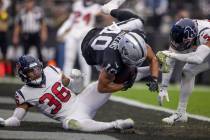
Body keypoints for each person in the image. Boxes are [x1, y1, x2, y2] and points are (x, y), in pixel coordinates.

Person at [0, 55, 134, 132]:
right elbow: (16, 119)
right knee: (71, 124)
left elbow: (77, 89)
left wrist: (77, 79)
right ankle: (115, 125)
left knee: (100, 84)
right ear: (24, 74)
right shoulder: (24, 94)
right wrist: (5, 122)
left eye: (36, 68)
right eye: (31, 70)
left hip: (83, 101)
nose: (36, 72)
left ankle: (138, 74)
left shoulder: (51, 70)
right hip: (71, 115)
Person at [81, 0, 159, 93]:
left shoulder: (137, 39)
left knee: (139, 21)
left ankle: (110, 9)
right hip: (88, 48)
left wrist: (154, 79)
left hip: (107, 32)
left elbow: (153, 59)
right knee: (121, 77)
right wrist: (123, 85)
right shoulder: (111, 61)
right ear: (123, 53)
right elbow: (101, 88)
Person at [157, 18, 210, 124]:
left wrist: (173, 55)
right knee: (187, 71)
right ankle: (181, 113)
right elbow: (169, 60)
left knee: (188, 69)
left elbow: (198, 59)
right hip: (203, 49)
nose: (178, 46)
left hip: (205, 50)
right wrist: (163, 87)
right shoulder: (180, 30)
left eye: (182, 42)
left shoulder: (206, 32)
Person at [57, 0, 102, 87]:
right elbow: (71, 19)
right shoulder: (77, 4)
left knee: (84, 59)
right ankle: (66, 81)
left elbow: (100, 17)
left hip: (84, 35)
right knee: (68, 59)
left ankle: (86, 83)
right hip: (73, 34)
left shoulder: (96, 7)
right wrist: (62, 30)